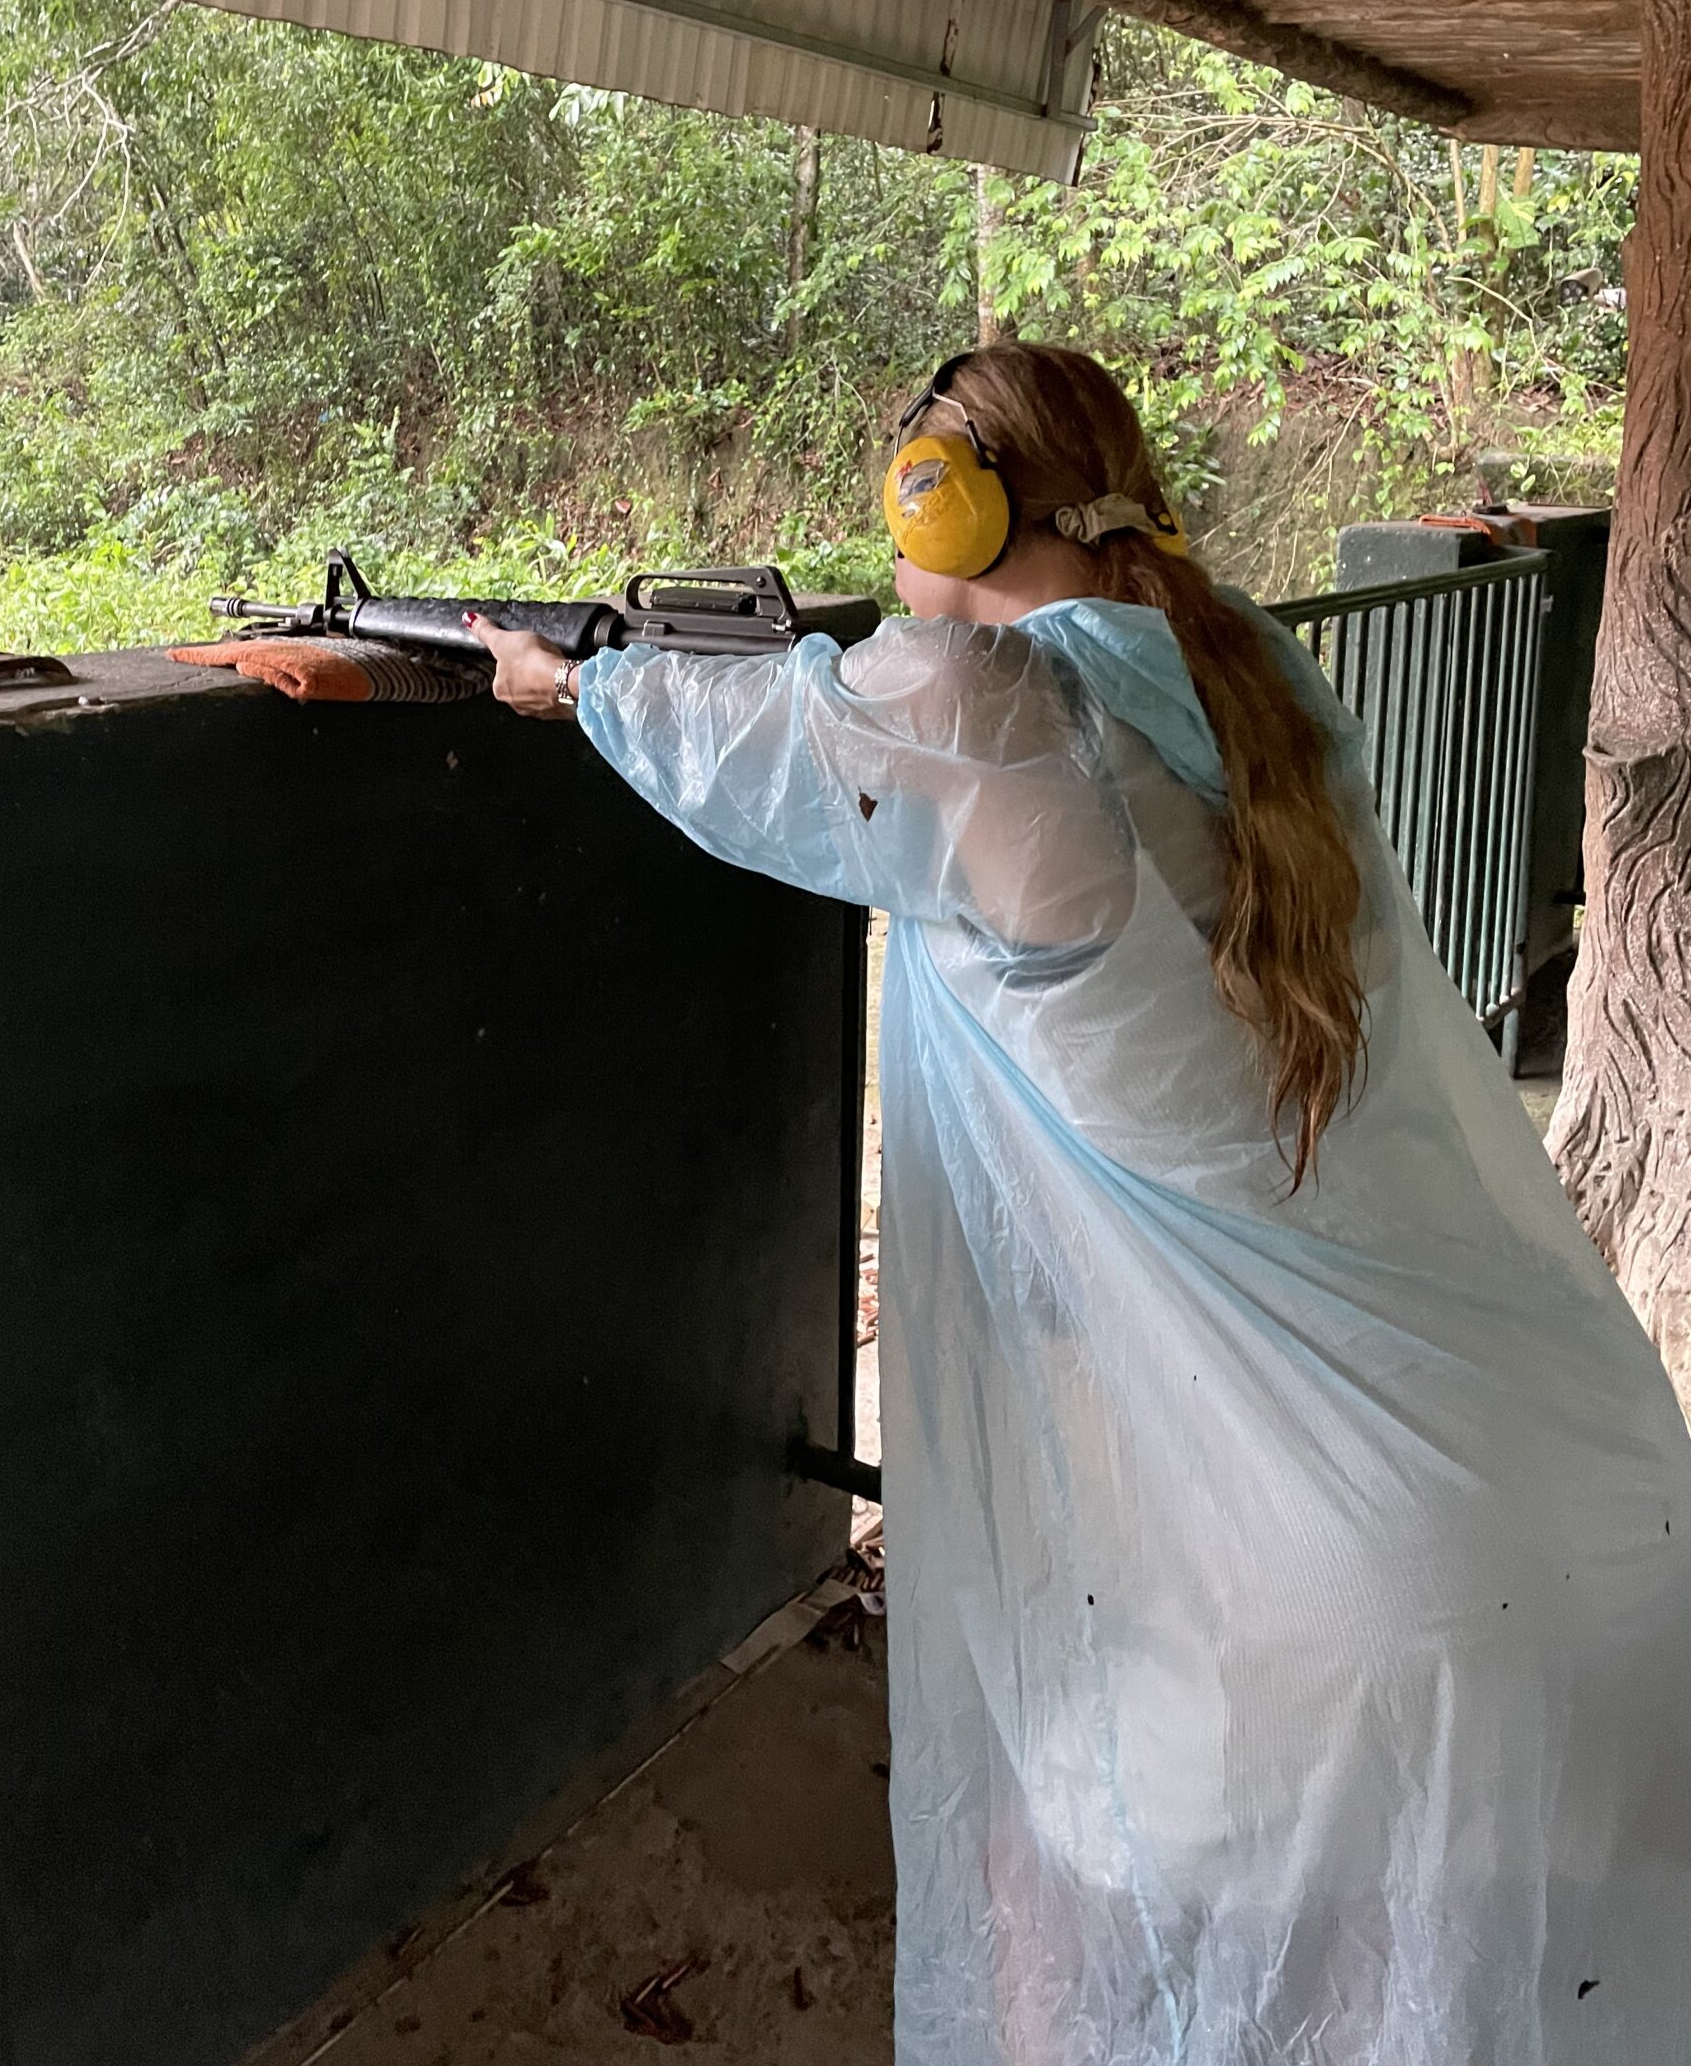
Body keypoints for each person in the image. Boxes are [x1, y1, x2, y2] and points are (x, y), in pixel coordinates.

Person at [472, 339, 1691, 2066]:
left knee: (1047, 1855)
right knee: (1402, 1990)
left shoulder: (984, 711)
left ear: (945, 511)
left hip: (1351, 1600)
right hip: (1564, 1517)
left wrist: (569, 681)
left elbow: (760, 747)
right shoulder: (1248, 671)